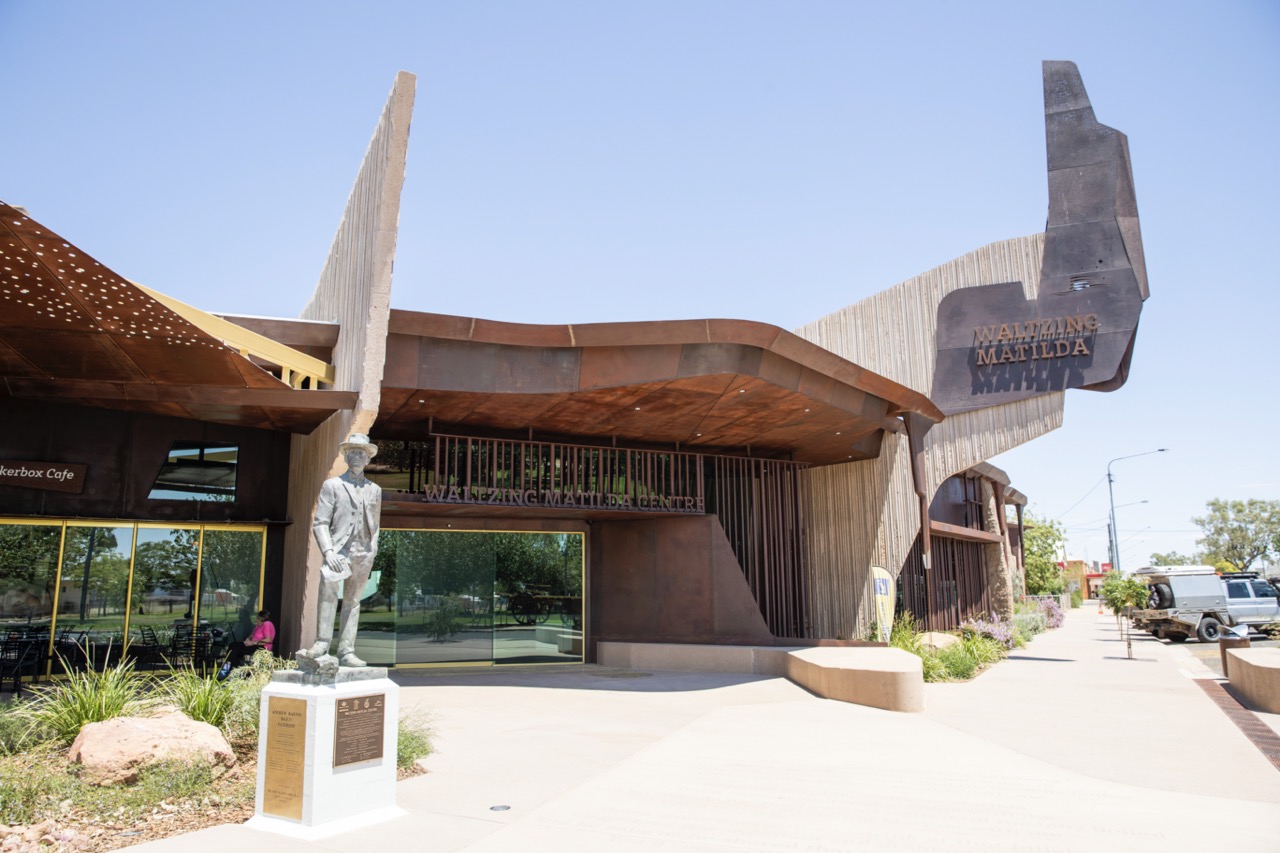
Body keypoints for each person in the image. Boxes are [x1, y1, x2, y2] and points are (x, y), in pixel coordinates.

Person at [298, 433, 382, 667]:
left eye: (361, 453)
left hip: (363, 553)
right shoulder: (332, 485)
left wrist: (372, 548)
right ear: (345, 457)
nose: (356, 457)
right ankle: (322, 643)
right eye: (352, 453)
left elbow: (375, 524)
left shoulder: (375, 489)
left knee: (353, 602)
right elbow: (320, 522)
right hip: (338, 551)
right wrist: (328, 552)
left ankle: (346, 651)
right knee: (328, 595)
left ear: (368, 459)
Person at [218, 609, 275, 679]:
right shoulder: (258, 626)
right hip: (253, 644)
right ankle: (232, 668)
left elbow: (268, 639)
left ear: (261, 618)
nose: (256, 620)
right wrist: (248, 640)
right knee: (233, 645)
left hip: (261, 647)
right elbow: (252, 635)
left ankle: (230, 668)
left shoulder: (267, 624)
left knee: (235, 650)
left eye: (257, 618)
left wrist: (253, 643)